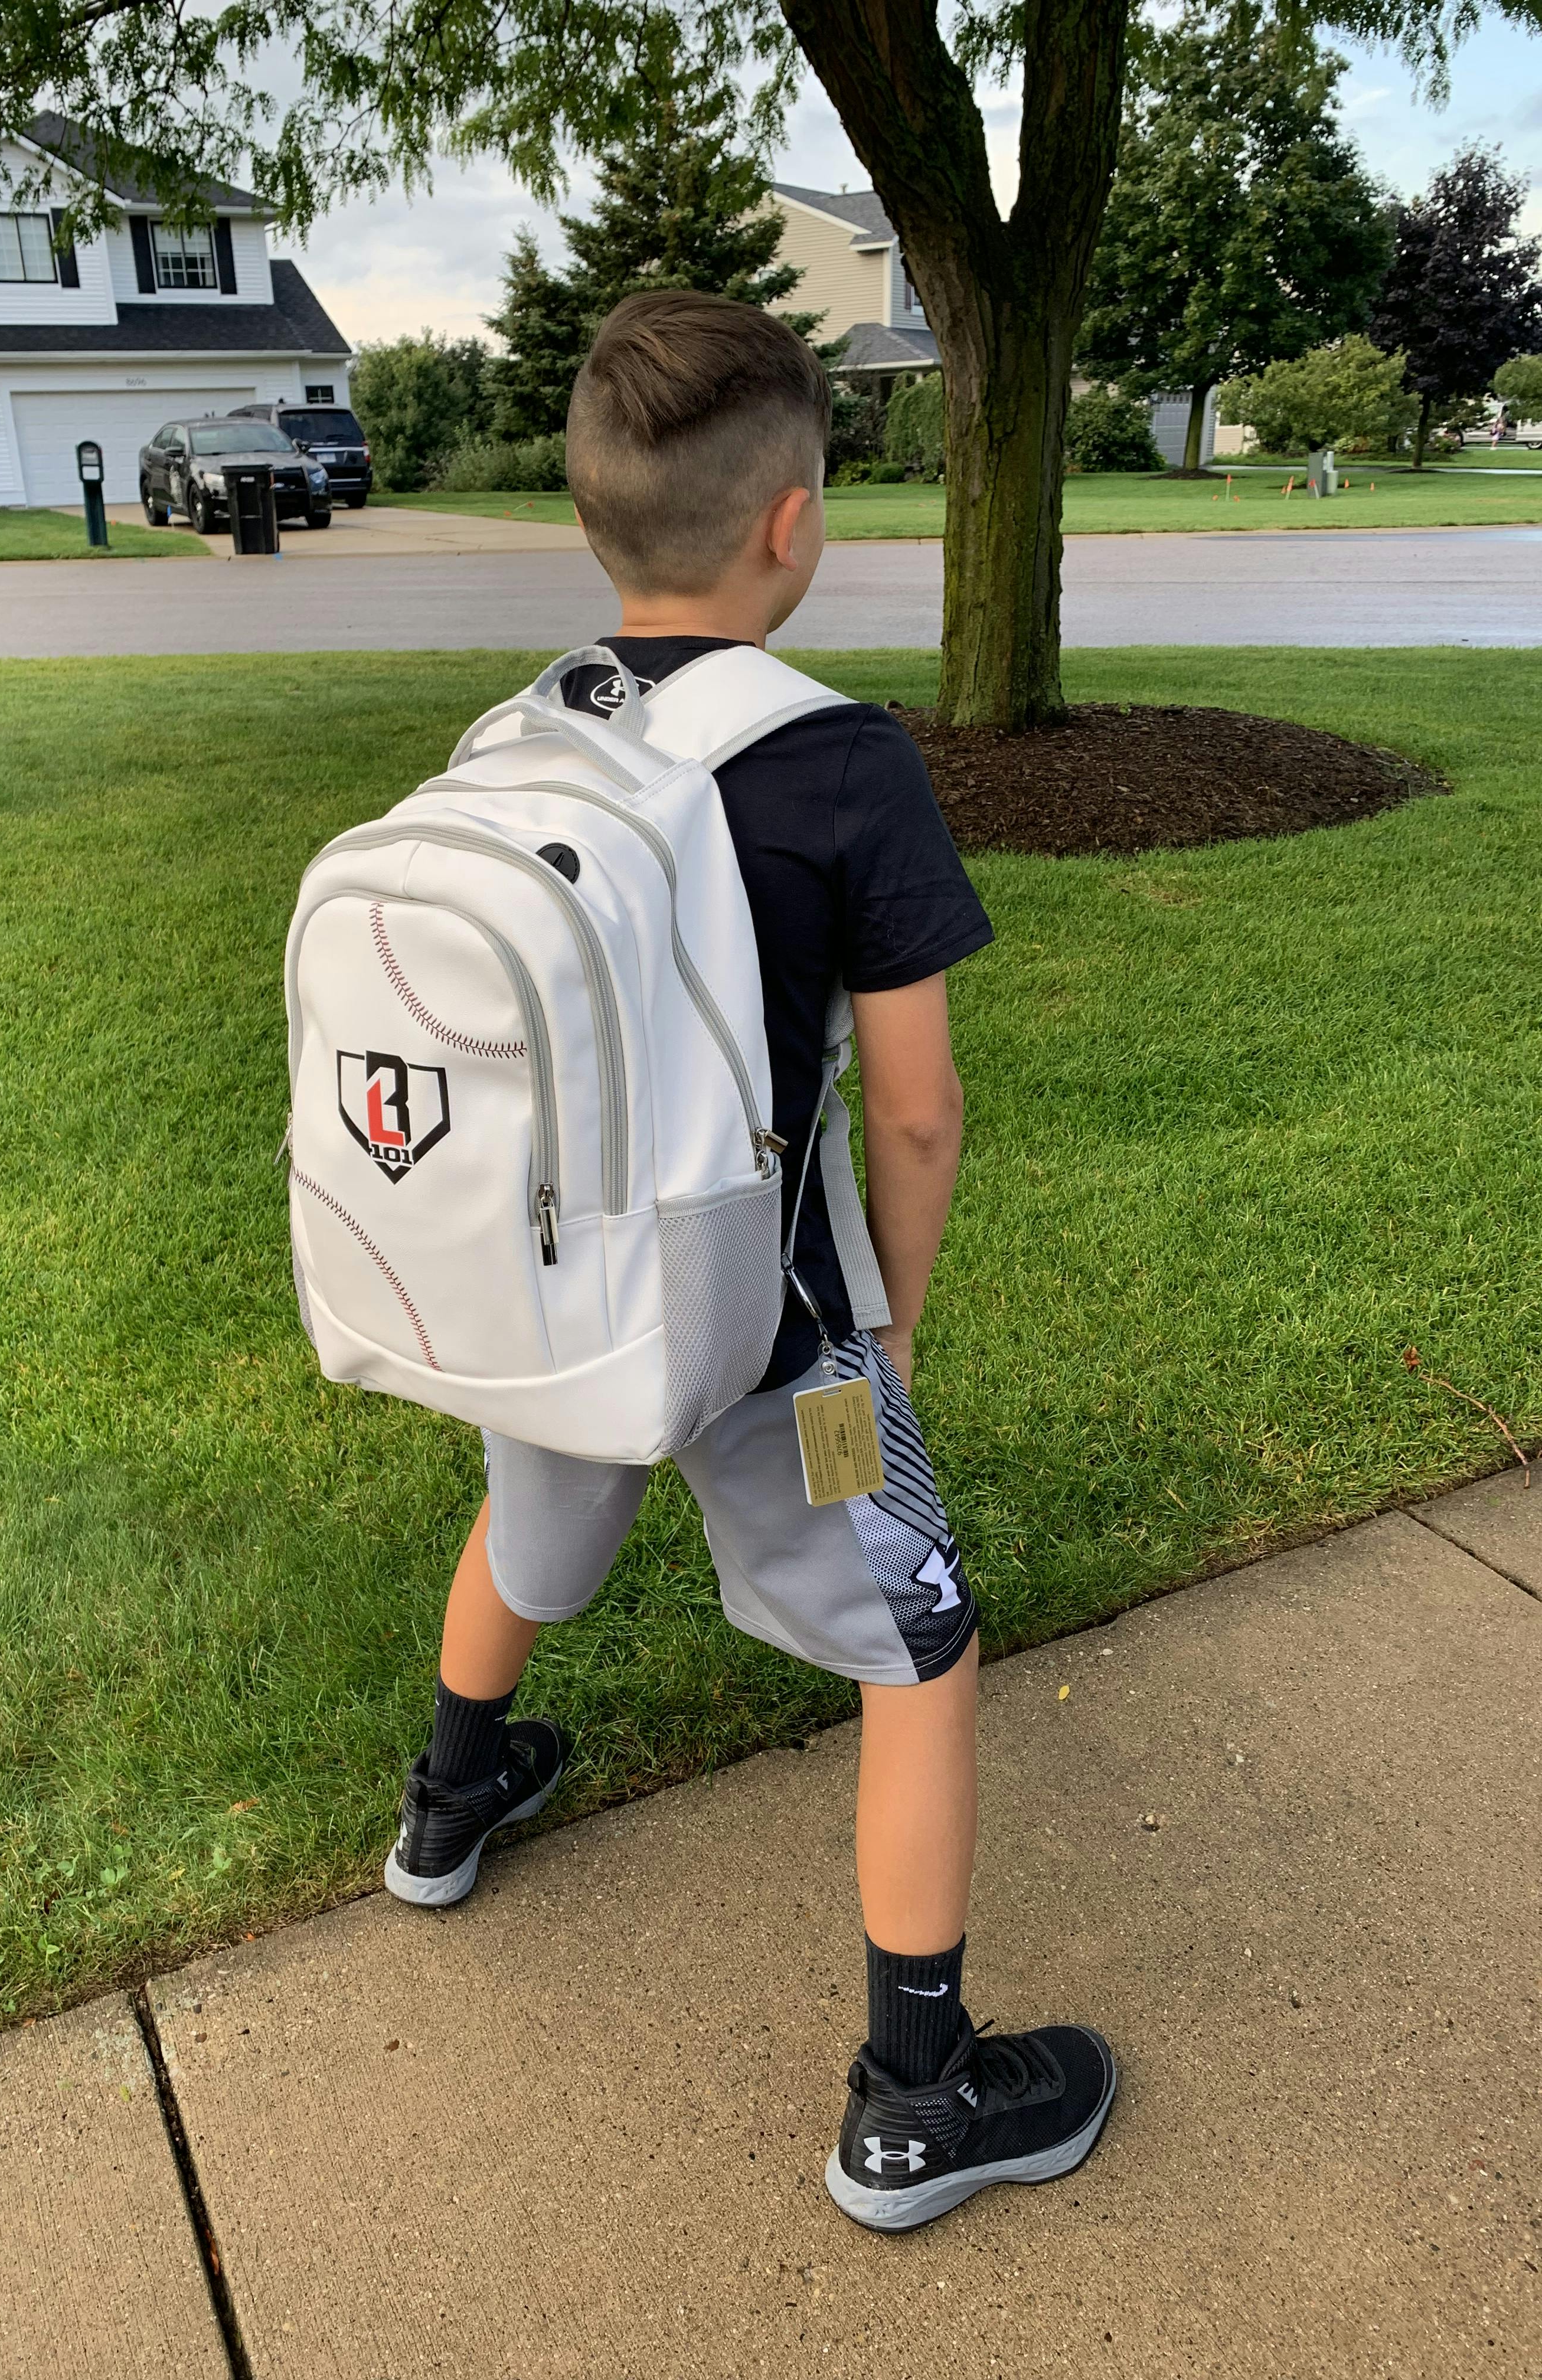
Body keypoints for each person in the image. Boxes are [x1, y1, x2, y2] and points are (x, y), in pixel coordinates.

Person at [383, 289, 1115, 2231]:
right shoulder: (840, 763)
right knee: (922, 1646)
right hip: (774, 1326)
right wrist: (891, 1329)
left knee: (531, 1520)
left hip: (554, 1302)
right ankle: (918, 2102)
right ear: (793, 523)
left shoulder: (518, 731)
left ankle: (446, 1809)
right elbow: (920, 1115)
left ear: (593, 519)